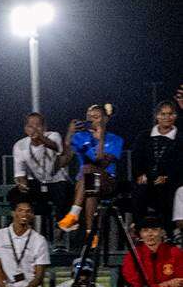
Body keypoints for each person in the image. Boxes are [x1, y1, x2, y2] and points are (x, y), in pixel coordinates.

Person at [58, 103, 125, 232]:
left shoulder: (115, 139)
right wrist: (69, 135)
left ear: (105, 119)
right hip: (85, 184)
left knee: (88, 171)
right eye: (89, 117)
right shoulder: (80, 137)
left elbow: (102, 163)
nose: (91, 120)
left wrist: (100, 140)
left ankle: (73, 215)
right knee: (90, 185)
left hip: (107, 181)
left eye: (96, 117)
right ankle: (91, 235)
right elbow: (65, 159)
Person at [10, 112, 68, 237]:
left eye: (38, 126)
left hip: (56, 180)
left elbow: (56, 147)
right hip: (37, 182)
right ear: (26, 129)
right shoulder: (19, 145)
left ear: (44, 128)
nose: (35, 129)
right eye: (31, 126)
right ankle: (22, 229)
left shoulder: (53, 135)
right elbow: (19, 172)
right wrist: (22, 183)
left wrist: (40, 137)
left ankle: (60, 229)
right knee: (15, 194)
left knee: (63, 195)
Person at [133, 100, 180, 233]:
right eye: (163, 114)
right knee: (140, 190)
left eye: (170, 114)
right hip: (146, 180)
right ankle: (139, 230)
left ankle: (168, 233)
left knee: (167, 192)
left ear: (175, 116)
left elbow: (180, 165)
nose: (167, 117)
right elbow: (136, 158)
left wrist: (168, 177)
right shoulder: (143, 136)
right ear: (157, 116)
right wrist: (140, 174)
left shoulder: (180, 138)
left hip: (170, 182)